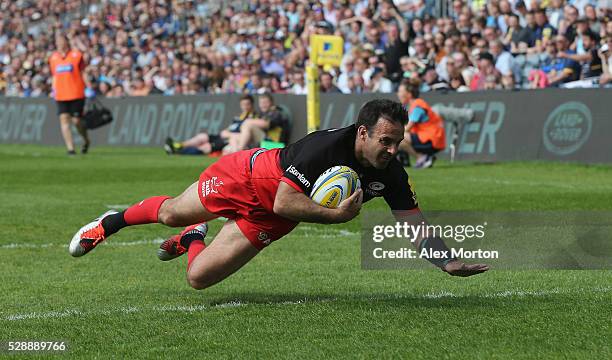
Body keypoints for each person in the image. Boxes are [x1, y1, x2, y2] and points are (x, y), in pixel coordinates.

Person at [69, 99, 488, 290]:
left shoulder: (391, 172)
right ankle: (110, 223)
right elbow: (285, 200)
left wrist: (445, 261)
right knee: (172, 213)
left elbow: (412, 221)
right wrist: (337, 217)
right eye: (386, 140)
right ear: (363, 132)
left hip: (273, 216)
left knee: (198, 281)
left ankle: (196, 237)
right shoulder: (324, 148)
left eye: (397, 142)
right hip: (248, 178)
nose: (393, 150)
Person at [165, 94, 258, 155]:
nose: (245, 107)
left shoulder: (254, 119)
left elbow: (248, 135)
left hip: (231, 140)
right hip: (224, 136)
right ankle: (179, 145)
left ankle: (179, 152)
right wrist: (226, 132)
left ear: (252, 104)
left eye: (247, 104)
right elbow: (228, 129)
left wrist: (229, 134)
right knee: (202, 136)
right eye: (243, 104)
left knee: (206, 147)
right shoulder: (238, 117)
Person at [48, 35, 90, 155]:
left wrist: (89, 87)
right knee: (64, 120)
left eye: (61, 40)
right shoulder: (53, 58)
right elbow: (54, 75)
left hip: (76, 92)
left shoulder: (76, 55)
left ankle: (86, 140)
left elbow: (83, 72)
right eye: (57, 41)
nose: (59, 43)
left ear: (67, 42)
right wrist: (53, 89)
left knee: (77, 121)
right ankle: (70, 149)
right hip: (61, 94)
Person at [397, 79, 446, 168]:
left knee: (398, 137)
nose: (398, 94)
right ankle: (414, 159)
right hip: (431, 138)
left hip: (432, 140)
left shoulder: (418, 106)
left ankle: (422, 158)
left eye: (400, 91)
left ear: (409, 94)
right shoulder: (415, 105)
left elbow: (407, 128)